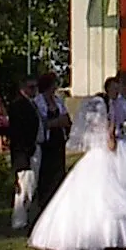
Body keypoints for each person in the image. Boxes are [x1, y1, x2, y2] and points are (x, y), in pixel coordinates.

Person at [29, 86, 126, 250]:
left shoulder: (91, 122)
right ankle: (117, 237)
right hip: (107, 159)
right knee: (113, 194)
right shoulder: (108, 123)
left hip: (92, 159)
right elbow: (111, 144)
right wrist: (116, 134)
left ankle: (87, 236)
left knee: (88, 197)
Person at [8, 77, 43, 231]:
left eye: (35, 87)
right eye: (30, 87)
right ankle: (19, 220)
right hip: (25, 152)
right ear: (22, 87)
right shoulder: (18, 105)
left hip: (34, 147)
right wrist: (26, 151)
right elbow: (18, 133)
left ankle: (24, 217)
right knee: (24, 187)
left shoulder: (31, 104)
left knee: (31, 185)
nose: (33, 90)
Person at [35, 72, 71, 208]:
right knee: (46, 173)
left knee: (59, 171)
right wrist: (56, 122)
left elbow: (67, 120)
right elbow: (42, 123)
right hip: (46, 142)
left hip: (58, 140)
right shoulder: (38, 102)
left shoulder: (58, 101)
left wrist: (58, 122)